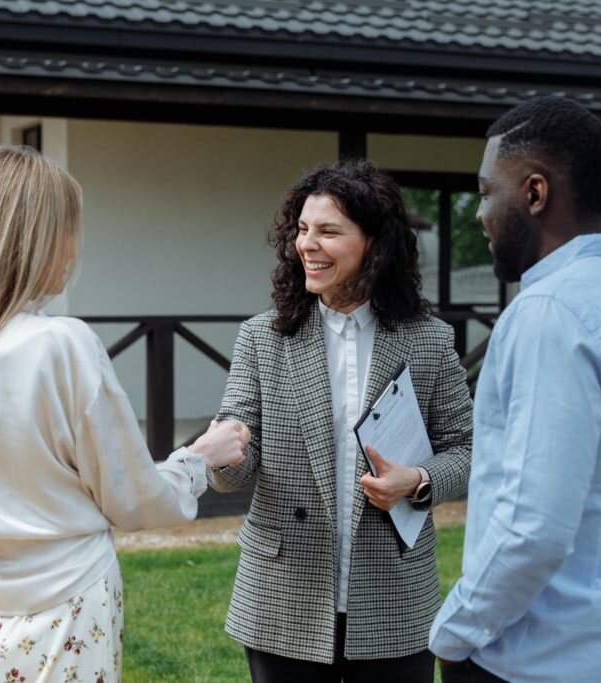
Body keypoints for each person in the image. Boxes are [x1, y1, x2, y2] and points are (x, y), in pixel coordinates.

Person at [0, 145, 248, 683]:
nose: (72, 249)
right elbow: (129, 499)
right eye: (67, 230)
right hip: (69, 611)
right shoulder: (62, 344)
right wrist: (198, 460)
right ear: (35, 240)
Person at [428, 96, 601, 682]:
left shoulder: (548, 313)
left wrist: (454, 633)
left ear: (534, 193)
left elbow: (533, 528)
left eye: (485, 191)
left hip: (541, 661)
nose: (479, 213)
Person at [209, 159, 473, 682]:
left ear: (374, 244)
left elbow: (468, 448)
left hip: (395, 599)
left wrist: (417, 481)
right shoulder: (263, 337)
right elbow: (236, 461)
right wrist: (226, 451)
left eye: (328, 231)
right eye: (302, 230)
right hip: (283, 598)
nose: (308, 244)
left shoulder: (430, 340)